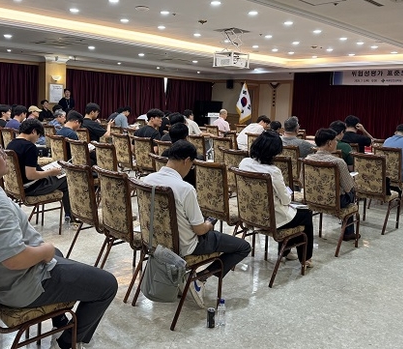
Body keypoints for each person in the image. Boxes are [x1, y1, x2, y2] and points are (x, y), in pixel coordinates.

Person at [0, 126, 117, 349]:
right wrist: (45, 250)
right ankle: (68, 342)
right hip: (19, 286)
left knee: (58, 254)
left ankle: (60, 319)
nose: (5, 155)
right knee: (107, 284)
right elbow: (14, 259)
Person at [142, 140, 251, 308]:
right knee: (243, 247)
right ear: (187, 160)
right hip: (186, 245)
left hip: (155, 242)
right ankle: (200, 278)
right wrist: (209, 224)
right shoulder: (185, 189)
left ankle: (186, 279)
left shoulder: (147, 179)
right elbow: (200, 230)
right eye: (192, 165)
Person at [238, 131, 314, 266]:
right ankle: (305, 258)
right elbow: (286, 200)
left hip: (249, 214)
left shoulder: (244, 163)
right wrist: (287, 192)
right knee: (305, 215)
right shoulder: (273, 171)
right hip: (271, 218)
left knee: (293, 215)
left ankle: (286, 251)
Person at [6, 119, 72, 219]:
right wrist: (50, 172)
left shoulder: (11, 144)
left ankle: (69, 215)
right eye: (38, 135)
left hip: (17, 187)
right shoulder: (30, 147)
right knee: (66, 178)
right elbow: (31, 175)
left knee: (59, 177)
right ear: (33, 131)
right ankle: (70, 215)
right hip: (32, 187)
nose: (37, 138)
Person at [306, 128, 359, 241]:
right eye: (335, 140)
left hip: (312, 198)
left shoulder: (307, 159)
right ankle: (348, 232)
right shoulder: (338, 162)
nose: (336, 143)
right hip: (334, 201)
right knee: (352, 191)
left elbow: (302, 181)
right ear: (330, 143)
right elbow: (348, 187)